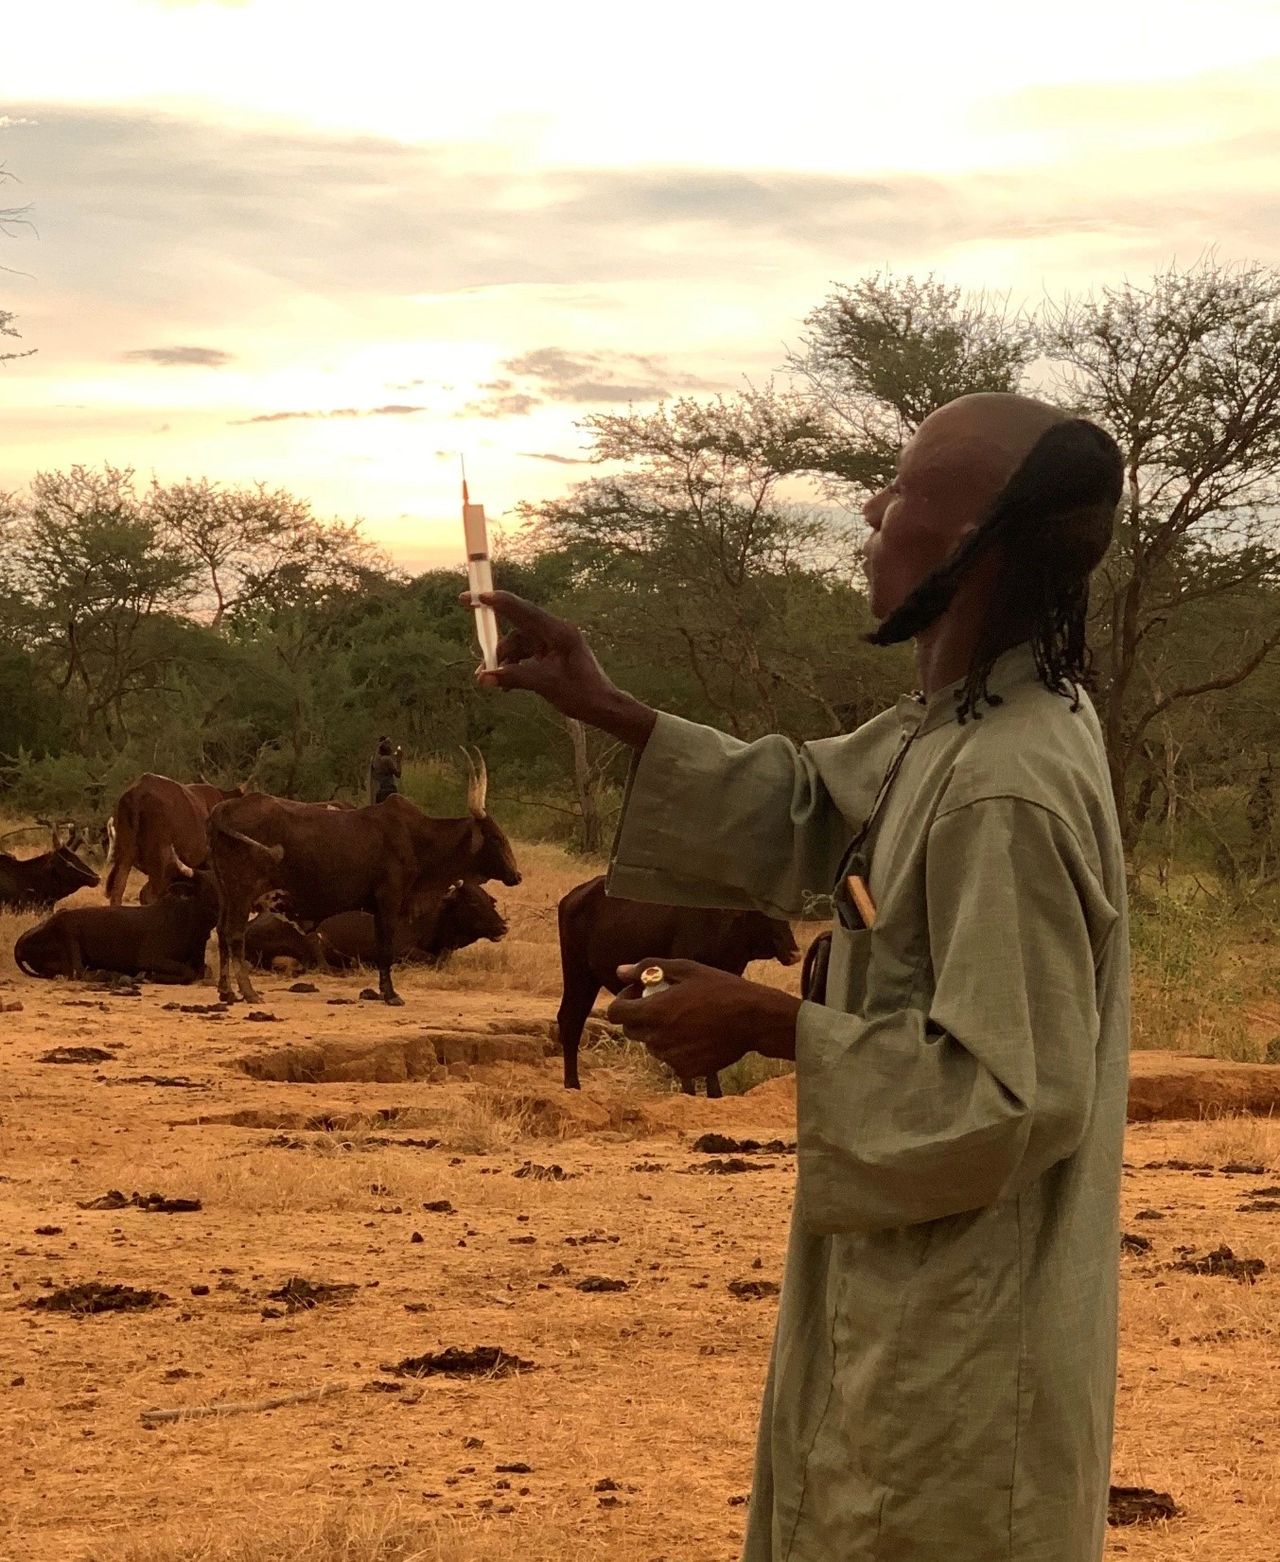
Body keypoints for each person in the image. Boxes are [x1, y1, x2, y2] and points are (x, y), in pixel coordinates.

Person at [468, 392, 1129, 1562]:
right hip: (906, 1288)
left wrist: (771, 1023)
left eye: (903, 488)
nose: (870, 509)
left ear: (976, 544)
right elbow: (810, 800)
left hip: (965, 1336)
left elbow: (1015, 1092)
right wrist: (604, 702)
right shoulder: (960, 722)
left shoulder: (1001, 785)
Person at [367, 737, 402, 806]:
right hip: (389, 790)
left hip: (380, 791)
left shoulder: (375, 761)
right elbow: (398, 774)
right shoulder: (387, 759)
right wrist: (399, 760)